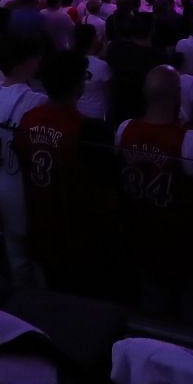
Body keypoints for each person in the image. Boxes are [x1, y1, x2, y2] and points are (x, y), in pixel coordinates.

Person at [117, 66, 193, 322]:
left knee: (151, 312)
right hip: (185, 247)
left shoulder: (124, 130)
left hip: (139, 237)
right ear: (178, 95)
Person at [14, 50, 115, 292]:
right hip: (78, 237)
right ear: (78, 85)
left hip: (39, 226)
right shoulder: (87, 130)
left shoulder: (28, 119)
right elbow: (104, 189)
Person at [0, 38, 48, 281]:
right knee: (35, 254)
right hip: (24, 186)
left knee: (15, 251)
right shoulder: (35, 101)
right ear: (23, 64)